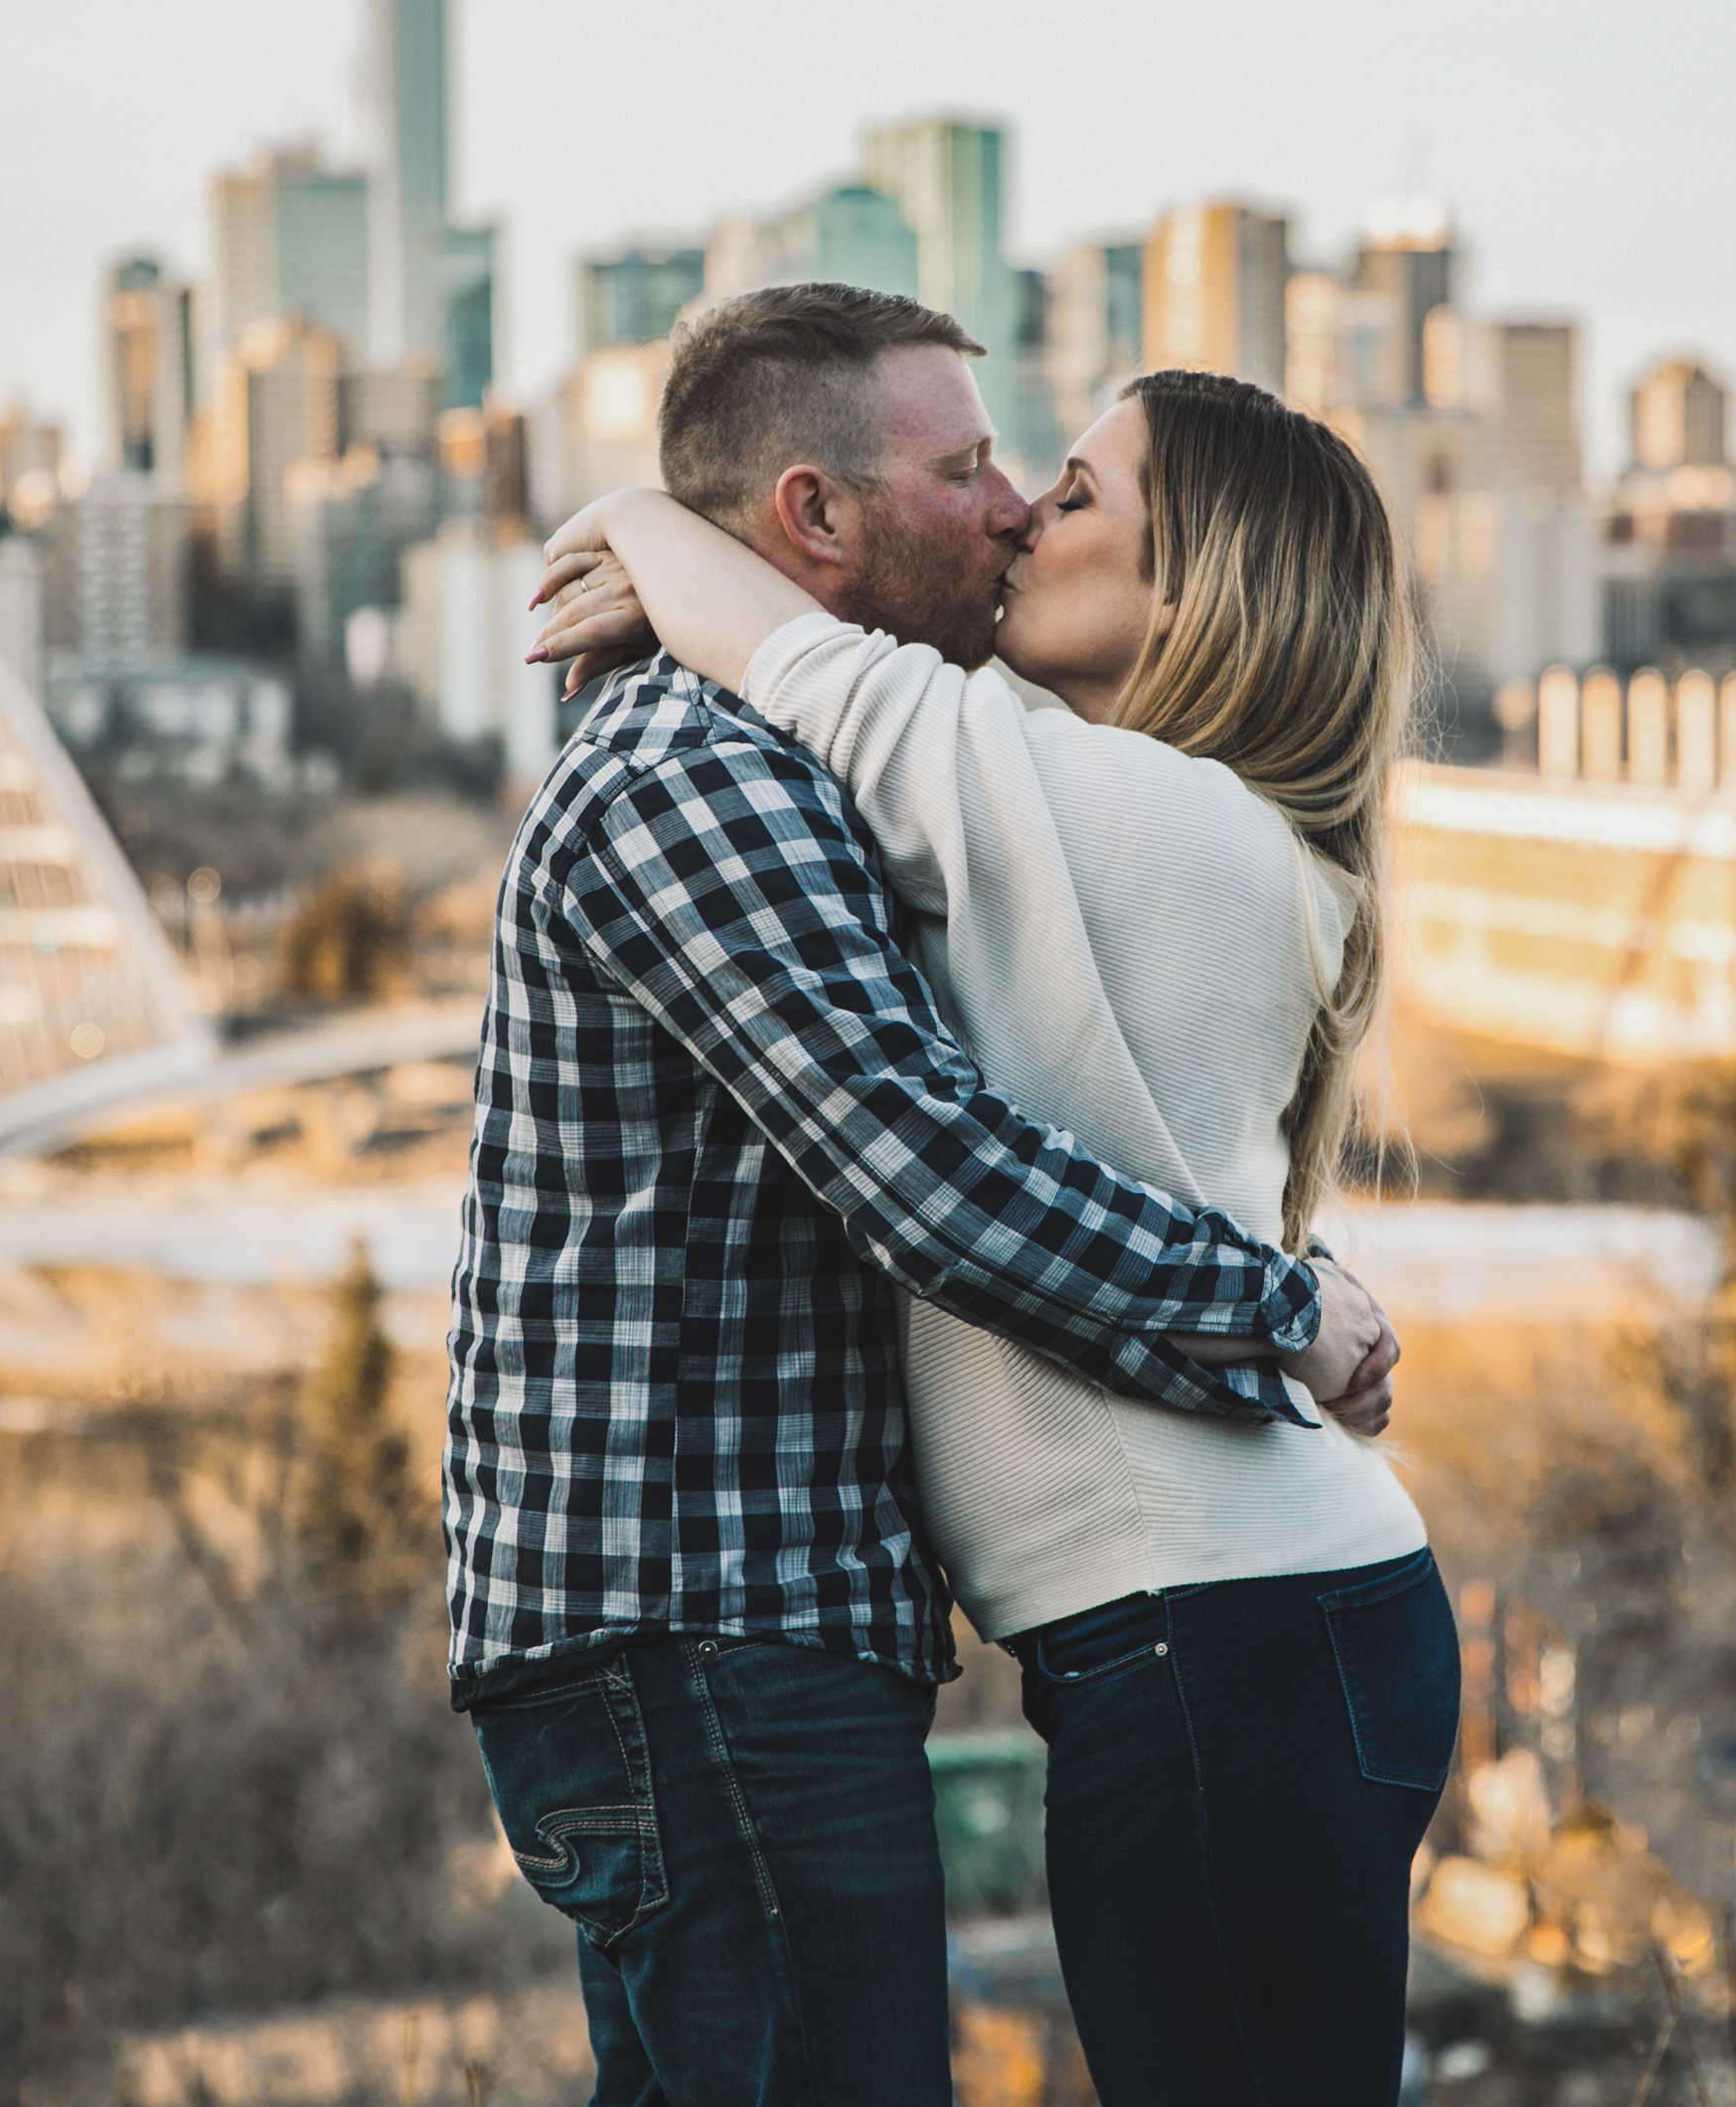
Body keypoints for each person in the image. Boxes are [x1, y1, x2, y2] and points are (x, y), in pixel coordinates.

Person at [445, 283, 1397, 2107]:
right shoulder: (703, 774)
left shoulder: (931, 785)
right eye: (969, 469)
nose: (1015, 509)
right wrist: (1284, 1311)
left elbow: (1064, 1110)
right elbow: (938, 1168)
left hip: (784, 1628)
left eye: (1047, 482)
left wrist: (1291, 1274)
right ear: (815, 516)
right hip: (705, 1622)